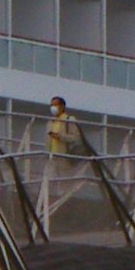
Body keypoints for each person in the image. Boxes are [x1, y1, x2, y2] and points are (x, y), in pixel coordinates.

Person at [40, 97, 86, 230]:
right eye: (51, 105)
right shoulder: (50, 121)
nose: (53, 108)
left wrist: (60, 137)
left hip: (64, 157)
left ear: (62, 106)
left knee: (65, 185)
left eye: (55, 105)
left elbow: (76, 137)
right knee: (48, 183)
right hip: (51, 157)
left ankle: (65, 213)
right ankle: (47, 212)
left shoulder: (69, 120)